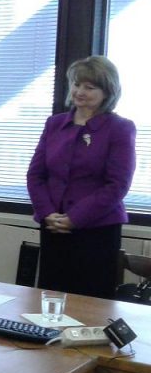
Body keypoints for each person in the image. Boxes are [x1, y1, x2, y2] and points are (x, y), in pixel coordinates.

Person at [27, 55, 136, 299]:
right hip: (54, 227)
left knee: (90, 303)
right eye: (76, 84)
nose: (80, 92)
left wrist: (75, 218)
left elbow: (117, 184)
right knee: (51, 298)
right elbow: (35, 175)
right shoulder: (54, 124)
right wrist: (47, 213)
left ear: (107, 92)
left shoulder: (120, 128)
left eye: (90, 87)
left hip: (97, 230)